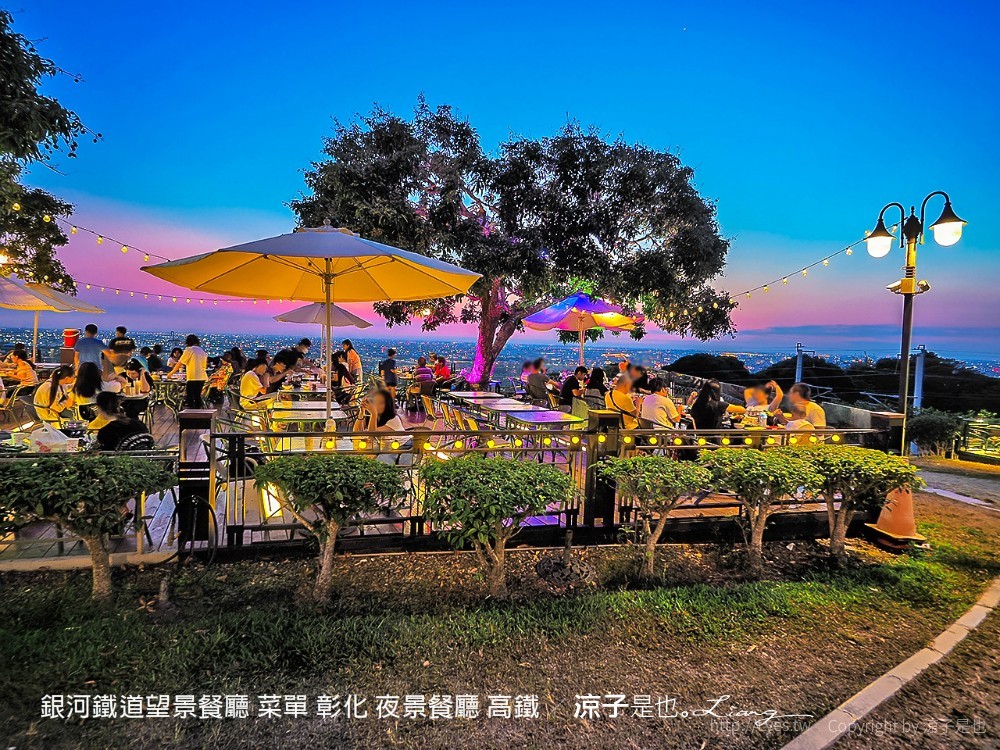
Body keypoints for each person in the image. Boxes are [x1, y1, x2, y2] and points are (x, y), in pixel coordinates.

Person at [167, 334, 208, 409]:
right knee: (197, 396)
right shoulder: (201, 351)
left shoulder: (189, 350)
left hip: (193, 377)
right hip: (202, 376)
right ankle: (199, 414)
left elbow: (180, 363)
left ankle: (190, 415)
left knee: (190, 397)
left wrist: (171, 373)